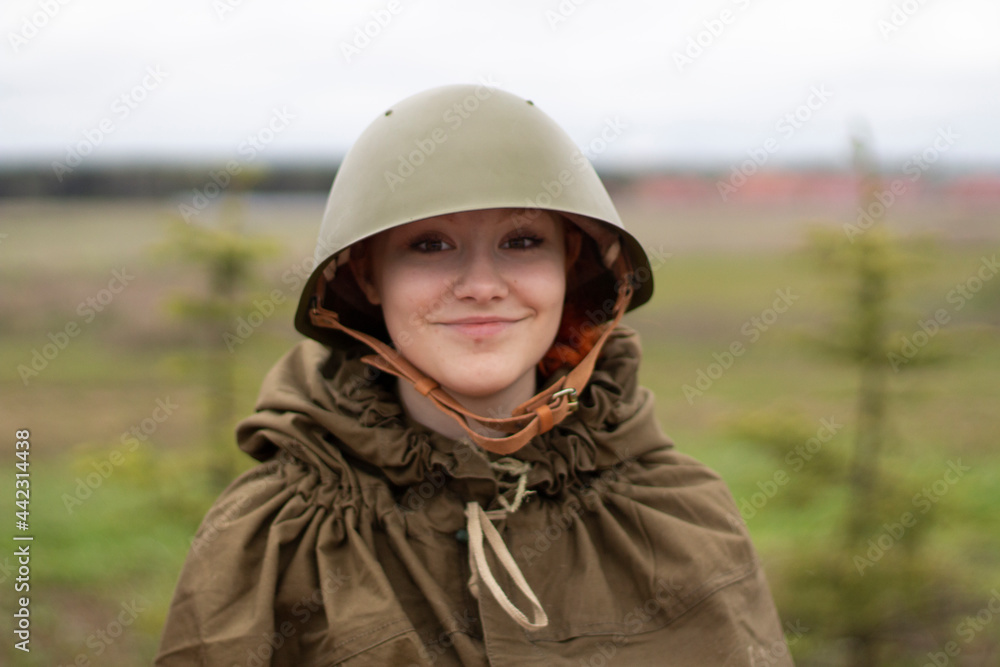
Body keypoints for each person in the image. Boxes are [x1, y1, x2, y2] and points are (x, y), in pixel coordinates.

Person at [156, 84, 792, 666]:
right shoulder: (272, 537)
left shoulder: (675, 512)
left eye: (521, 242)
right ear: (368, 277)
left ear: (569, 265)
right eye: (430, 244)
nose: (483, 287)